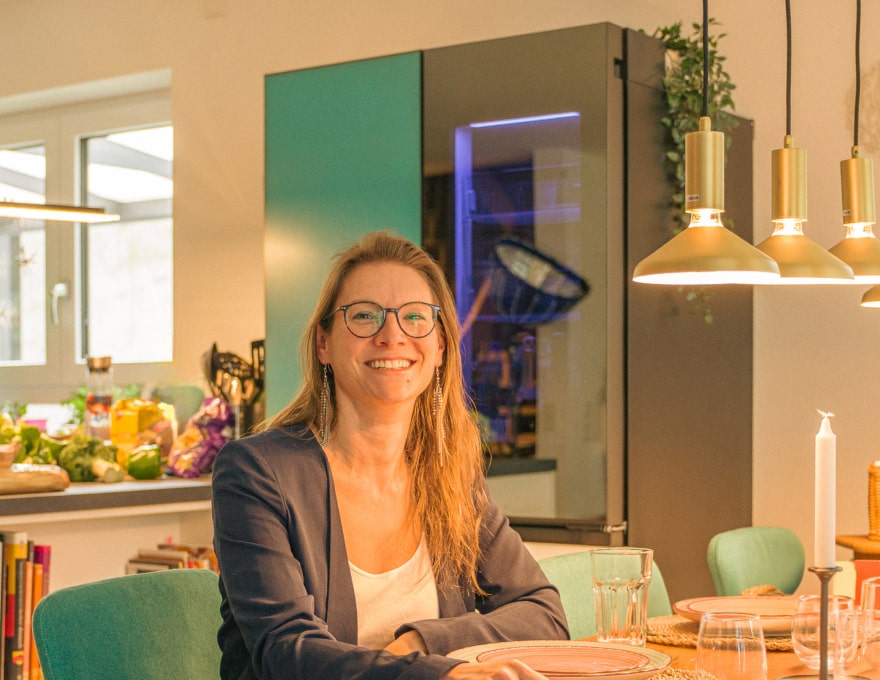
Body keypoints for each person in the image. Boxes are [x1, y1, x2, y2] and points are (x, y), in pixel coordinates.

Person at [212, 231, 569, 679]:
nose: (391, 335)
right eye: (364, 316)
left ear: (439, 347)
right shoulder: (256, 472)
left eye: (415, 318)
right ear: (324, 344)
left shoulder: (449, 475)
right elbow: (287, 652)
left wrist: (422, 641)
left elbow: (544, 614)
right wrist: (442, 674)